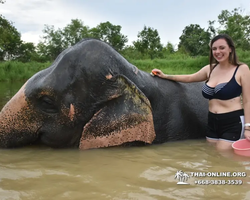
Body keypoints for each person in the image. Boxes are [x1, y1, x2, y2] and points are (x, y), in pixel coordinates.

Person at [151, 34, 250, 151]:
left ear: (230, 49)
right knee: (212, 155)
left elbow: (248, 100)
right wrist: (165, 76)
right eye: (214, 49)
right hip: (212, 122)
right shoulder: (210, 69)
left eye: (222, 48)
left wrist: (248, 127)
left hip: (232, 122)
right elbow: (189, 78)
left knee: (223, 155)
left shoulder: (241, 69)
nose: (217, 51)